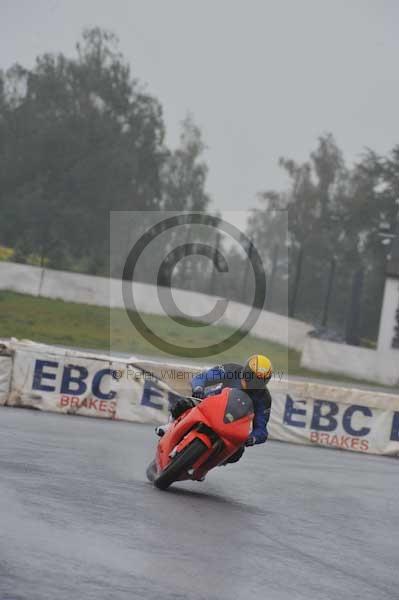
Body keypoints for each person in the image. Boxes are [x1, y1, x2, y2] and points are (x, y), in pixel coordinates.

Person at [156, 354, 273, 465]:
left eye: (260, 380)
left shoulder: (264, 398)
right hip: (209, 404)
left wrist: (253, 438)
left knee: (237, 452)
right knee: (185, 403)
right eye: (252, 377)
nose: (254, 382)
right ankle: (170, 426)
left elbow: (261, 429)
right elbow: (204, 377)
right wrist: (198, 387)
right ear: (246, 371)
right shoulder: (232, 370)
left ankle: (209, 464)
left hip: (234, 424)